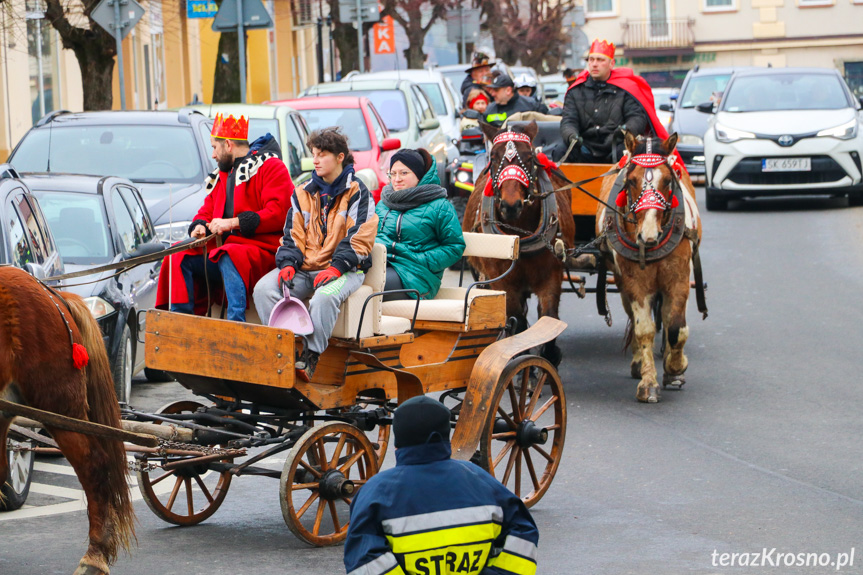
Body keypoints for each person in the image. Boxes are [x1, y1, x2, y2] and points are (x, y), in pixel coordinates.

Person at [344, 395, 540, 575]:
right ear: (447, 437)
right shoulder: (482, 480)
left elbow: (365, 562)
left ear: (398, 442)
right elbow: (523, 532)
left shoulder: (375, 492)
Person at [252, 127, 377, 381]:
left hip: (347, 269)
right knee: (263, 289)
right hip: (304, 268)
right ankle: (283, 352)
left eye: (322, 154)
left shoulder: (359, 192)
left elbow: (360, 237)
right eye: (314, 154)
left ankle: (310, 356)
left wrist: (336, 267)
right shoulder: (302, 191)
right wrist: (288, 262)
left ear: (340, 157)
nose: (315, 160)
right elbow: (292, 233)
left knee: (324, 297)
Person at [155, 114, 292, 323]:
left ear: (228, 144)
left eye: (214, 147)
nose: (212, 155)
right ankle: (181, 322)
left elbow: (280, 212)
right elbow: (206, 210)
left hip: (263, 250)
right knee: (178, 253)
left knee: (229, 253)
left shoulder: (272, 167)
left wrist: (233, 223)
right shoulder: (223, 175)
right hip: (227, 250)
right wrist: (199, 226)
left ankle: (236, 323)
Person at [376, 149, 465, 302]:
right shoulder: (383, 204)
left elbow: (455, 247)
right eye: (393, 173)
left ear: (419, 175)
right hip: (382, 264)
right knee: (342, 281)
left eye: (404, 173)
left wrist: (420, 259)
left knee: (371, 286)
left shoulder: (439, 206)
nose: (397, 179)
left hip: (416, 274)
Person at [560, 39, 649, 163]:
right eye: (591, 60)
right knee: (561, 151)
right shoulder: (575, 91)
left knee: (632, 153)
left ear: (611, 64)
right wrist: (572, 136)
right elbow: (568, 120)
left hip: (616, 145)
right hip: (584, 146)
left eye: (600, 60)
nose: (594, 64)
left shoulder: (625, 90)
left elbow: (637, 118)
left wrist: (622, 132)